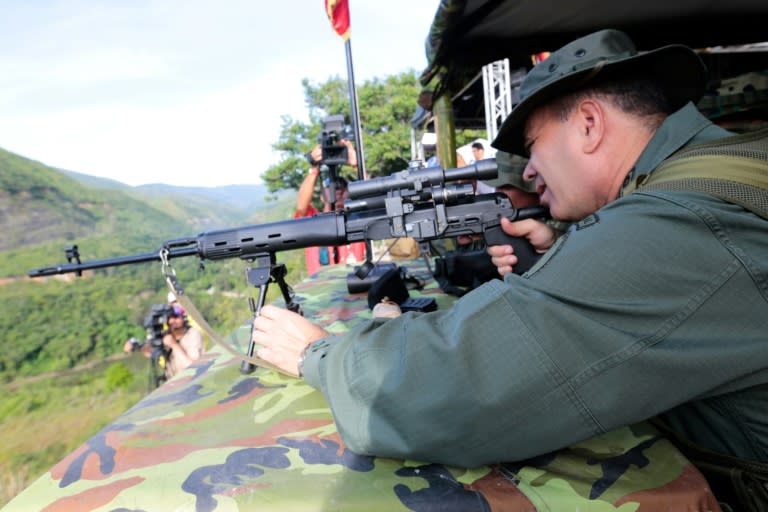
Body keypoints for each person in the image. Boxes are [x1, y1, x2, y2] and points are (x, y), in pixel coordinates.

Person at [251, 28, 767, 474]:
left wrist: (318, 354)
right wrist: (564, 256)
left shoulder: (674, 225)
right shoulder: (721, 171)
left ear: (589, 124)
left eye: (534, 145)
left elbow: (458, 393)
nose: (529, 171)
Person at [295, 141, 366, 275]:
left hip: (354, 287)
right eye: (332, 187)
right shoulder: (312, 222)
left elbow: (371, 195)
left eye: (343, 187)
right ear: (321, 196)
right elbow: (301, 207)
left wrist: (357, 165)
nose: (338, 190)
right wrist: (315, 169)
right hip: (322, 289)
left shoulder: (358, 219)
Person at [124, 303, 204, 381]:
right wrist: (136, 345)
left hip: (193, 382)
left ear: (183, 317)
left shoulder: (192, 334)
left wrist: (174, 345)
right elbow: (151, 352)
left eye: (176, 317)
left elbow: (193, 368)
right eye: (169, 317)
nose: (173, 321)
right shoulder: (166, 336)